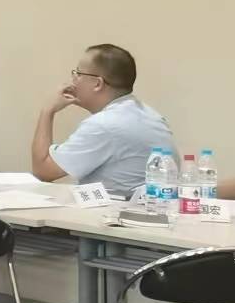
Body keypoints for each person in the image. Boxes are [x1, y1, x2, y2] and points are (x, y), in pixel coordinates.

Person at [30, 44, 175, 198]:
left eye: (78, 73)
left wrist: (47, 111)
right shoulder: (152, 116)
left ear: (97, 84)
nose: (72, 81)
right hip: (148, 207)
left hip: (115, 211)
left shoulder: (104, 125)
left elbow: (43, 171)